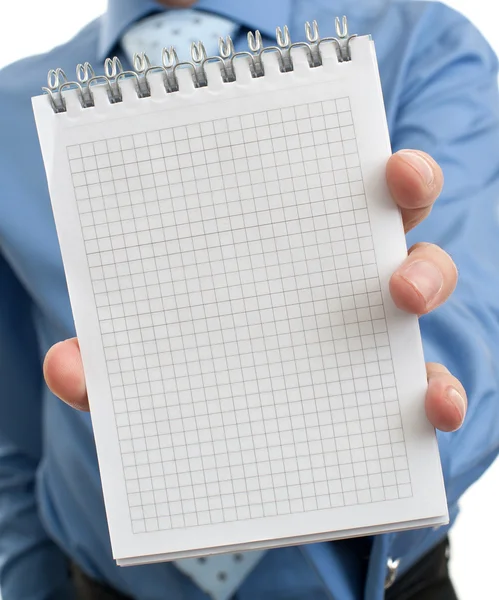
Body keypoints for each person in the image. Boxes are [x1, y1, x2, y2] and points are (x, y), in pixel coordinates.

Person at [0, 0, 498, 598]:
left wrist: (396, 440)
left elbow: (472, 309)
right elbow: (15, 432)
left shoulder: (424, 42)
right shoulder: (13, 108)